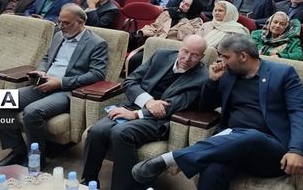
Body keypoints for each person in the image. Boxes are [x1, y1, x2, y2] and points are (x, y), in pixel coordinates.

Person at [132, 34, 303, 189]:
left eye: (225, 56)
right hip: (229, 145)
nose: (220, 61)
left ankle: (171, 159)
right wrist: (212, 82)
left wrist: (297, 150)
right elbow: (205, 108)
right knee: (212, 170)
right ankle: (177, 159)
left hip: (269, 149)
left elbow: (299, 113)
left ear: (243, 56)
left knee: (252, 135)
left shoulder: (283, 73)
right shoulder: (227, 75)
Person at [0, 4, 108, 172]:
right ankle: (17, 150)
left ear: (80, 22)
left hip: (67, 90)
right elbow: (46, 57)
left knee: (32, 112)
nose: (61, 26)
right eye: (60, 22)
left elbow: (97, 74)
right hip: (43, 83)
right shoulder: (58, 35)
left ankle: (36, 159)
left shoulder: (96, 43)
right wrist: (41, 71)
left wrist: (60, 82)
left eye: (66, 23)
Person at [82, 35, 209, 190]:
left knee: (121, 132)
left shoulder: (202, 77)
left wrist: (136, 114)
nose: (187, 58)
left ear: (202, 57)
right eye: (185, 51)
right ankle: (88, 182)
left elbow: (173, 106)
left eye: (195, 55)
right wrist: (148, 102)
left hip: (159, 120)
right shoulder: (161, 55)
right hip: (133, 105)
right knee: (97, 131)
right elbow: (129, 81)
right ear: (180, 48)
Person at [126, 0, 203, 73]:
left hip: (172, 50)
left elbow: (184, 37)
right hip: (155, 44)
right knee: (134, 60)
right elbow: (155, 27)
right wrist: (142, 32)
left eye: (187, 5)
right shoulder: (169, 13)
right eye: (183, 2)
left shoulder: (197, 21)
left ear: (193, 8)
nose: (182, 5)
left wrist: (183, 19)